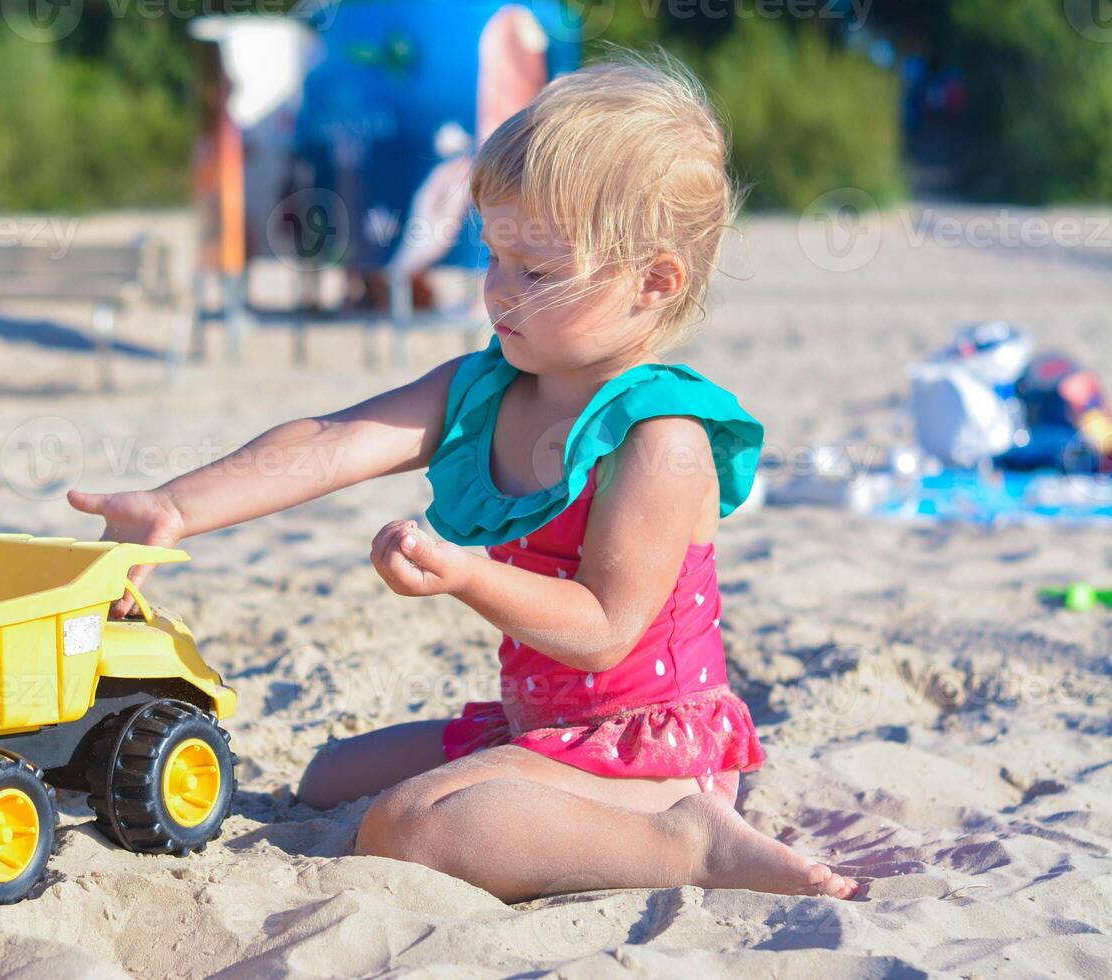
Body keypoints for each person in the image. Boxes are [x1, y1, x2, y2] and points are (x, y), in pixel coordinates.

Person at [70, 52, 858, 903]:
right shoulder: (485, 388)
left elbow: (600, 630)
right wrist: (176, 506)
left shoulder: (660, 439)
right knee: (329, 777)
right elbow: (335, 440)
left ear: (653, 282)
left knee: (408, 828)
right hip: (543, 723)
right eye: (493, 256)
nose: (498, 293)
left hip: (649, 745)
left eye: (538, 271)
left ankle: (686, 845)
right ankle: (568, 800)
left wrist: (467, 575)